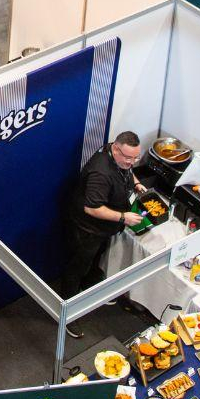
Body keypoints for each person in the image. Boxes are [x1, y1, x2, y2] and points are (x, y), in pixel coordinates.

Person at [61, 131, 144, 336]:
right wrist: (124, 217)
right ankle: (67, 311)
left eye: (135, 158)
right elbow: (92, 208)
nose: (131, 162)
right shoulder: (101, 173)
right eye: (128, 157)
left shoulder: (118, 155)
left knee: (96, 257)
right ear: (115, 149)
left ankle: (90, 284)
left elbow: (128, 170)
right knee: (77, 267)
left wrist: (135, 183)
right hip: (87, 229)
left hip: (104, 228)